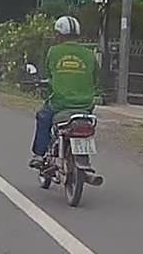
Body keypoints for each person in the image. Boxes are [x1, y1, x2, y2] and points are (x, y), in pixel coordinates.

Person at [30, 16, 97, 170]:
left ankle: (39, 154)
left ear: (59, 34)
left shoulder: (54, 52)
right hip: (86, 105)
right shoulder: (89, 54)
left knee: (43, 117)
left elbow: (49, 74)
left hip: (59, 103)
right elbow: (96, 78)